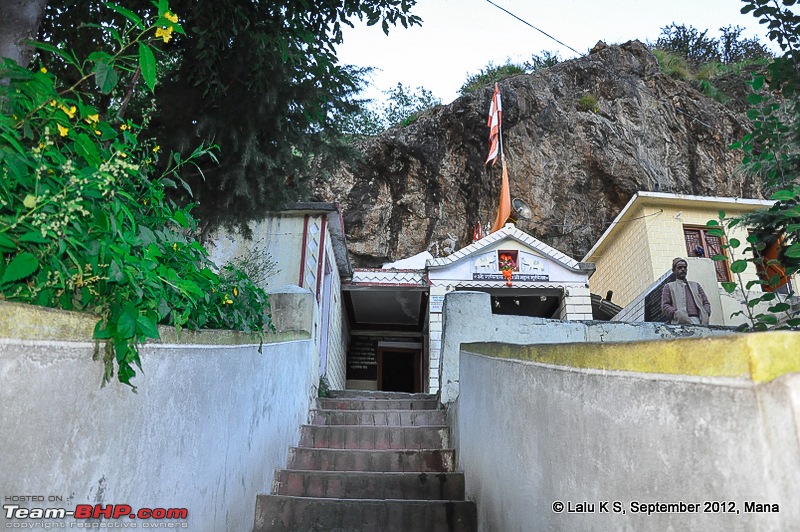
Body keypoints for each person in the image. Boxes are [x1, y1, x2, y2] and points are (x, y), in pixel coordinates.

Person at [661, 257, 711, 325]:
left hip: (699, 321)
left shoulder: (696, 285)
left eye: (684, 267)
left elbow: (706, 302)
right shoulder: (669, 287)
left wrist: (705, 313)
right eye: (679, 267)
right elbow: (665, 305)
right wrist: (676, 314)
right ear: (674, 270)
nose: (683, 269)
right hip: (680, 322)